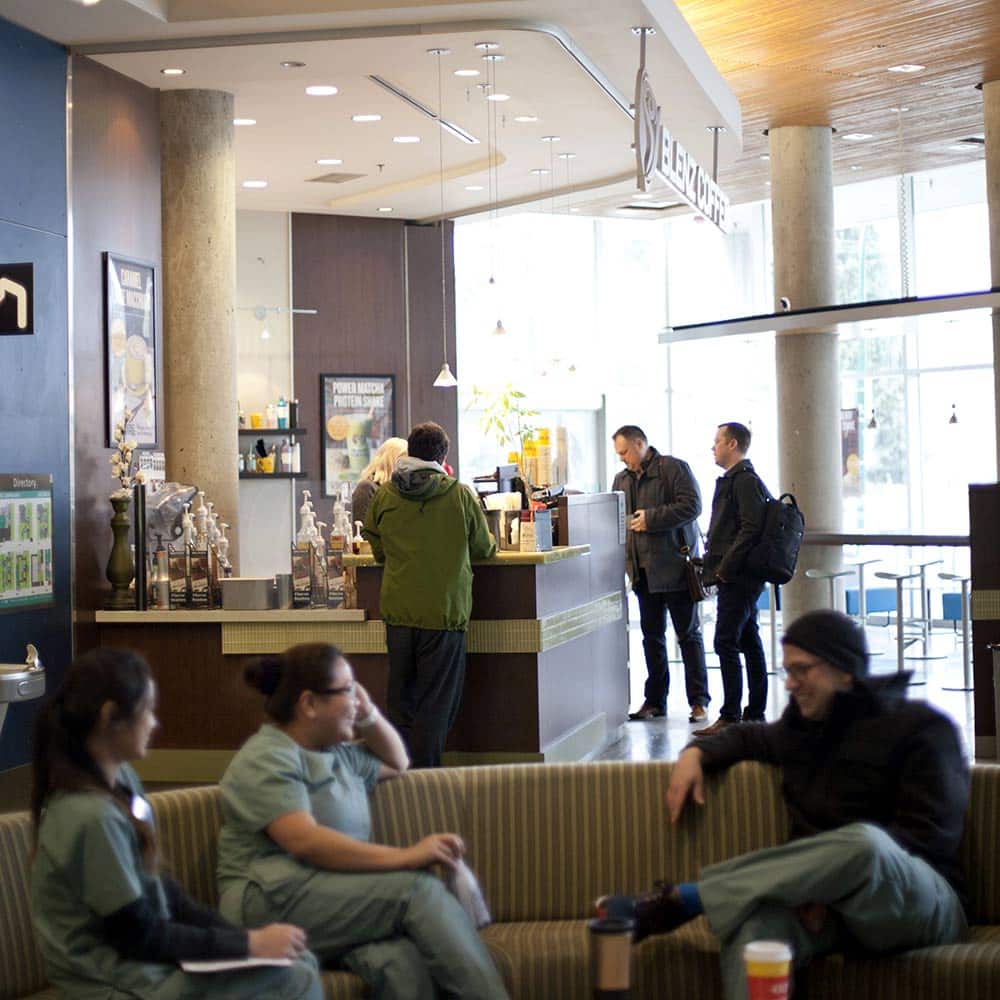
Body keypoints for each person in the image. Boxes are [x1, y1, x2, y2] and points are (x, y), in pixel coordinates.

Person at [597, 610, 969, 1000]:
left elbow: (930, 839)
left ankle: (687, 899)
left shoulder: (921, 729)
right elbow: (747, 738)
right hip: (833, 911)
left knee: (866, 845)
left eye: (802, 670)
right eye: (788, 670)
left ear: (843, 669)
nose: (790, 683)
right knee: (755, 927)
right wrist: (695, 753)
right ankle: (695, 905)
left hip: (922, 902)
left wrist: (830, 889)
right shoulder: (801, 729)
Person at [216, 642, 509, 1000]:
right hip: (266, 904)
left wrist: (368, 714)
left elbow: (398, 761)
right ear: (309, 704)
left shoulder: (338, 754)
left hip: (329, 900)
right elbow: (305, 842)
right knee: (417, 891)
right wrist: (408, 857)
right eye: (347, 691)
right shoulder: (266, 757)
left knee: (400, 960)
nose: (356, 700)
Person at [30, 647, 322, 1000]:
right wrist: (249, 943)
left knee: (298, 960)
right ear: (110, 717)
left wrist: (245, 941)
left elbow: (164, 891)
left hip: (141, 964)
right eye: (147, 712)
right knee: (293, 978)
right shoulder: (91, 817)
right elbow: (137, 933)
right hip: (108, 982)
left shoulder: (122, 781)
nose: (155, 724)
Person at [363, 421, 496, 767]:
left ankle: (401, 773)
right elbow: (483, 549)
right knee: (437, 702)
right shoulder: (459, 494)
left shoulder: (386, 495)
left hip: (398, 612)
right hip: (443, 612)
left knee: (401, 700)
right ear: (443, 456)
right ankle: (426, 779)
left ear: (410, 451)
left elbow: (374, 541)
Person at [610, 424, 710, 723]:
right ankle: (655, 701)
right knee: (651, 638)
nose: (622, 459)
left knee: (688, 636)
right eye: (618, 454)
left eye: (625, 452)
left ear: (640, 444)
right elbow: (616, 518)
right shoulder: (621, 479)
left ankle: (699, 702)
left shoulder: (673, 469)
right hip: (642, 572)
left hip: (677, 568)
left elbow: (692, 506)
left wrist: (651, 519)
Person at [696, 421, 770, 735]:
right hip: (738, 574)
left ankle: (731, 715)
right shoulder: (735, 480)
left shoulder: (743, 481)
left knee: (725, 641)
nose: (712, 447)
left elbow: (750, 529)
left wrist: (725, 567)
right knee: (748, 639)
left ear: (733, 444)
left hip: (739, 576)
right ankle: (753, 712)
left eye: (717, 441)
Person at [351, 436, 408, 524]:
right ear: (390, 461)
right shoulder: (367, 488)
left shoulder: (399, 490)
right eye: (405, 461)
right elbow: (360, 529)